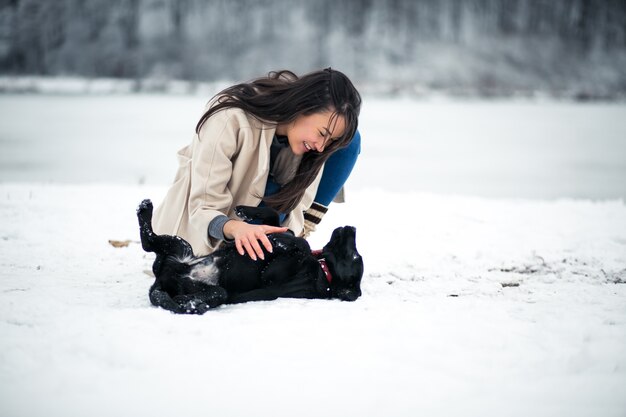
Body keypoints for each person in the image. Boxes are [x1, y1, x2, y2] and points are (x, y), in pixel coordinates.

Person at [152, 68, 361, 259]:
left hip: (261, 218)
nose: (322, 147)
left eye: (329, 139)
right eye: (322, 133)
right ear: (302, 106)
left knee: (349, 142)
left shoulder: (309, 143)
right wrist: (235, 228)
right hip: (207, 231)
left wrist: (295, 238)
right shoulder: (229, 118)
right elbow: (202, 207)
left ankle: (297, 235)